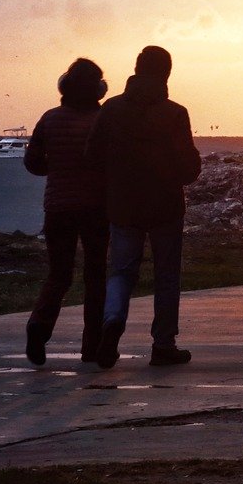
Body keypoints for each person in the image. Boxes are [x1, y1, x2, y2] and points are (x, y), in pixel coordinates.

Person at [85, 45, 202, 369]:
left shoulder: (111, 109)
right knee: (166, 275)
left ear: (136, 69)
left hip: (123, 204)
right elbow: (189, 169)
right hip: (165, 205)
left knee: (121, 271)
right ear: (166, 74)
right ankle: (163, 344)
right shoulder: (175, 113)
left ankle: (112, 320)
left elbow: (92, 156)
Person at [23, 58, 109, 366]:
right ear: (99, 88)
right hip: (97, 208)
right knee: (96, 276)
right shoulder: (103, 120)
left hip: (57, 207)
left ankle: (39, 325)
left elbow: (33, 163)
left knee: (59, 274)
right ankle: (92, 346)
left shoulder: (49, 118)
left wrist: (57, 168)